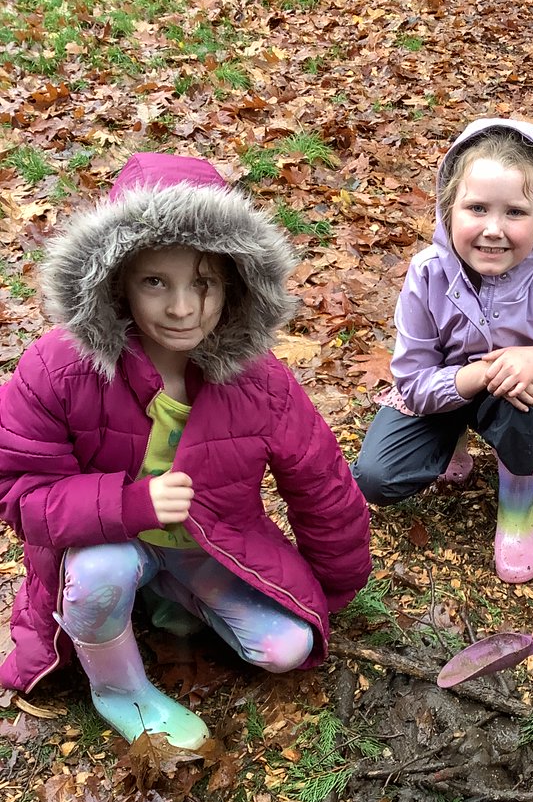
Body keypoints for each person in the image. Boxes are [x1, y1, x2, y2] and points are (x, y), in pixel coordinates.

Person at [0, 153, 372, 750]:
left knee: (287, 648)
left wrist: (332, 589)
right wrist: (130, 505)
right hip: (109, 543)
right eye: (156, 282)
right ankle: (120, 688)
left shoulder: (260, 379)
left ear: (234, 282)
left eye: (203, 282)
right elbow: (19, 493)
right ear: (116, 280)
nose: (181, 308)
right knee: (103, 572)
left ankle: (166, 592)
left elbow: (321, 483)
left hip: (208, 541)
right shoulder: (58, 367)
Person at [351, 118, 533, 583]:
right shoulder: (427, 274)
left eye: (515, 212)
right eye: (476, 208)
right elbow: (411, 379)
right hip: (446, 388)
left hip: (517, 399)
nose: (493, 229)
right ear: (448, 209)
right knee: (375, 476)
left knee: (521, 402)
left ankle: (516, 506)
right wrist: (475, 377)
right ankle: (455, 442)